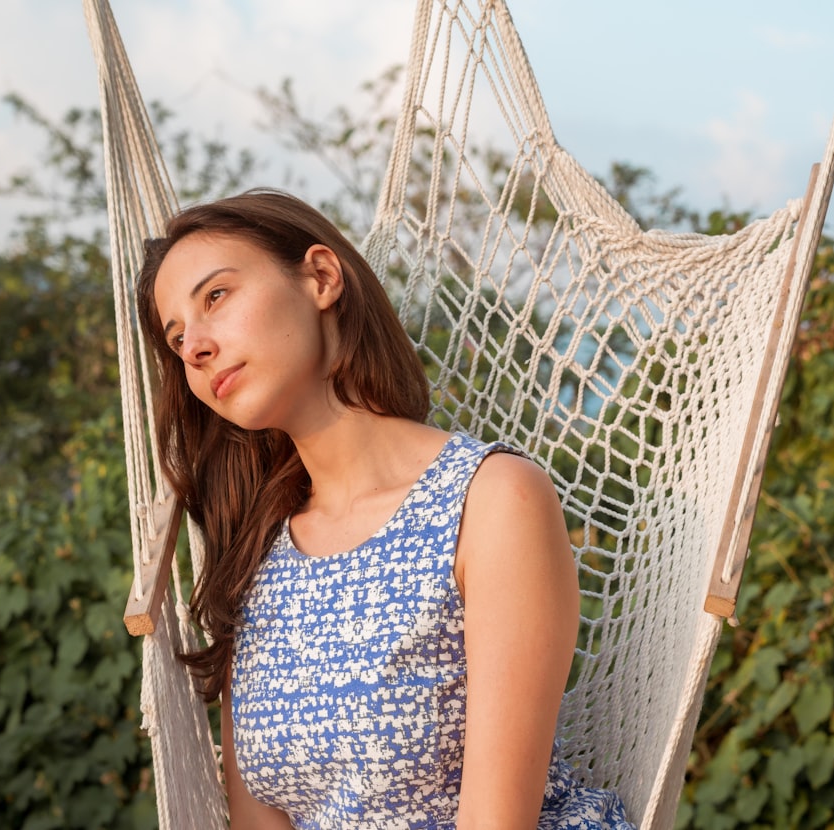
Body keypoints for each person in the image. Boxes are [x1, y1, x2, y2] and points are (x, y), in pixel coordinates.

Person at [137, 189, 634, 829]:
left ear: (321, 277)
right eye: (177, 339)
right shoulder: (255, 559)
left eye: (216, 297)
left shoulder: (490, 501)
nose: (195, 348)